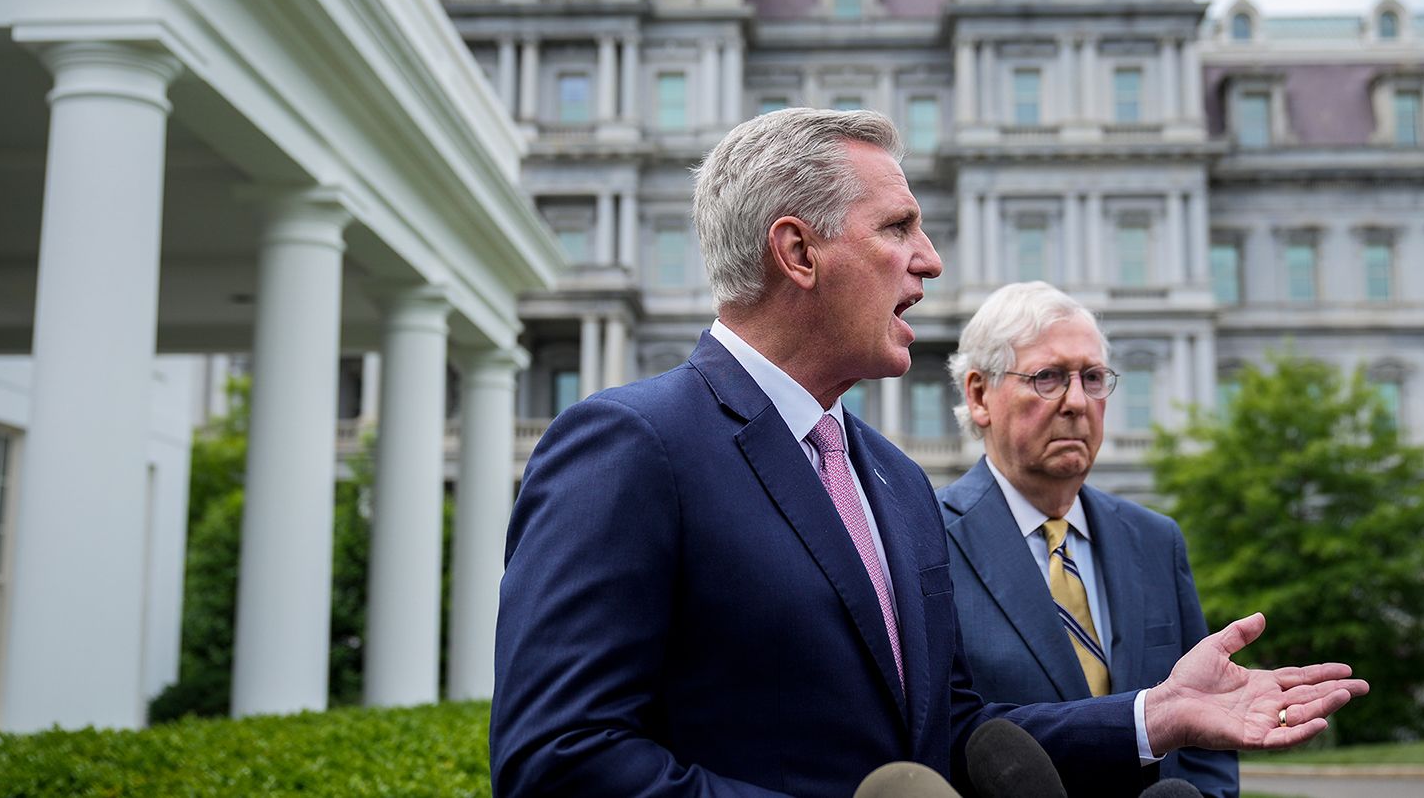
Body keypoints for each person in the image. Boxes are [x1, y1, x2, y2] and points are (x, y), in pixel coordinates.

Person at [490, 108, 1365, 798]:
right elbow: (559, 759)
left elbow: (948, 735)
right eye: (899, 229)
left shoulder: (899, 481)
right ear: (798, 251)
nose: (931, 261)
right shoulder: (629, 446)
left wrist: (1153, 719)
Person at [938, 282, 1239, 797]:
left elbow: (1205, 741)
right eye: (1048, 378)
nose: (1077, 402)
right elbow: (946, 732)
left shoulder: (1155, 540)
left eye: (1093, 378)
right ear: (979, 395)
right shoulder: (923, 540)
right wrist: (1145, 721)